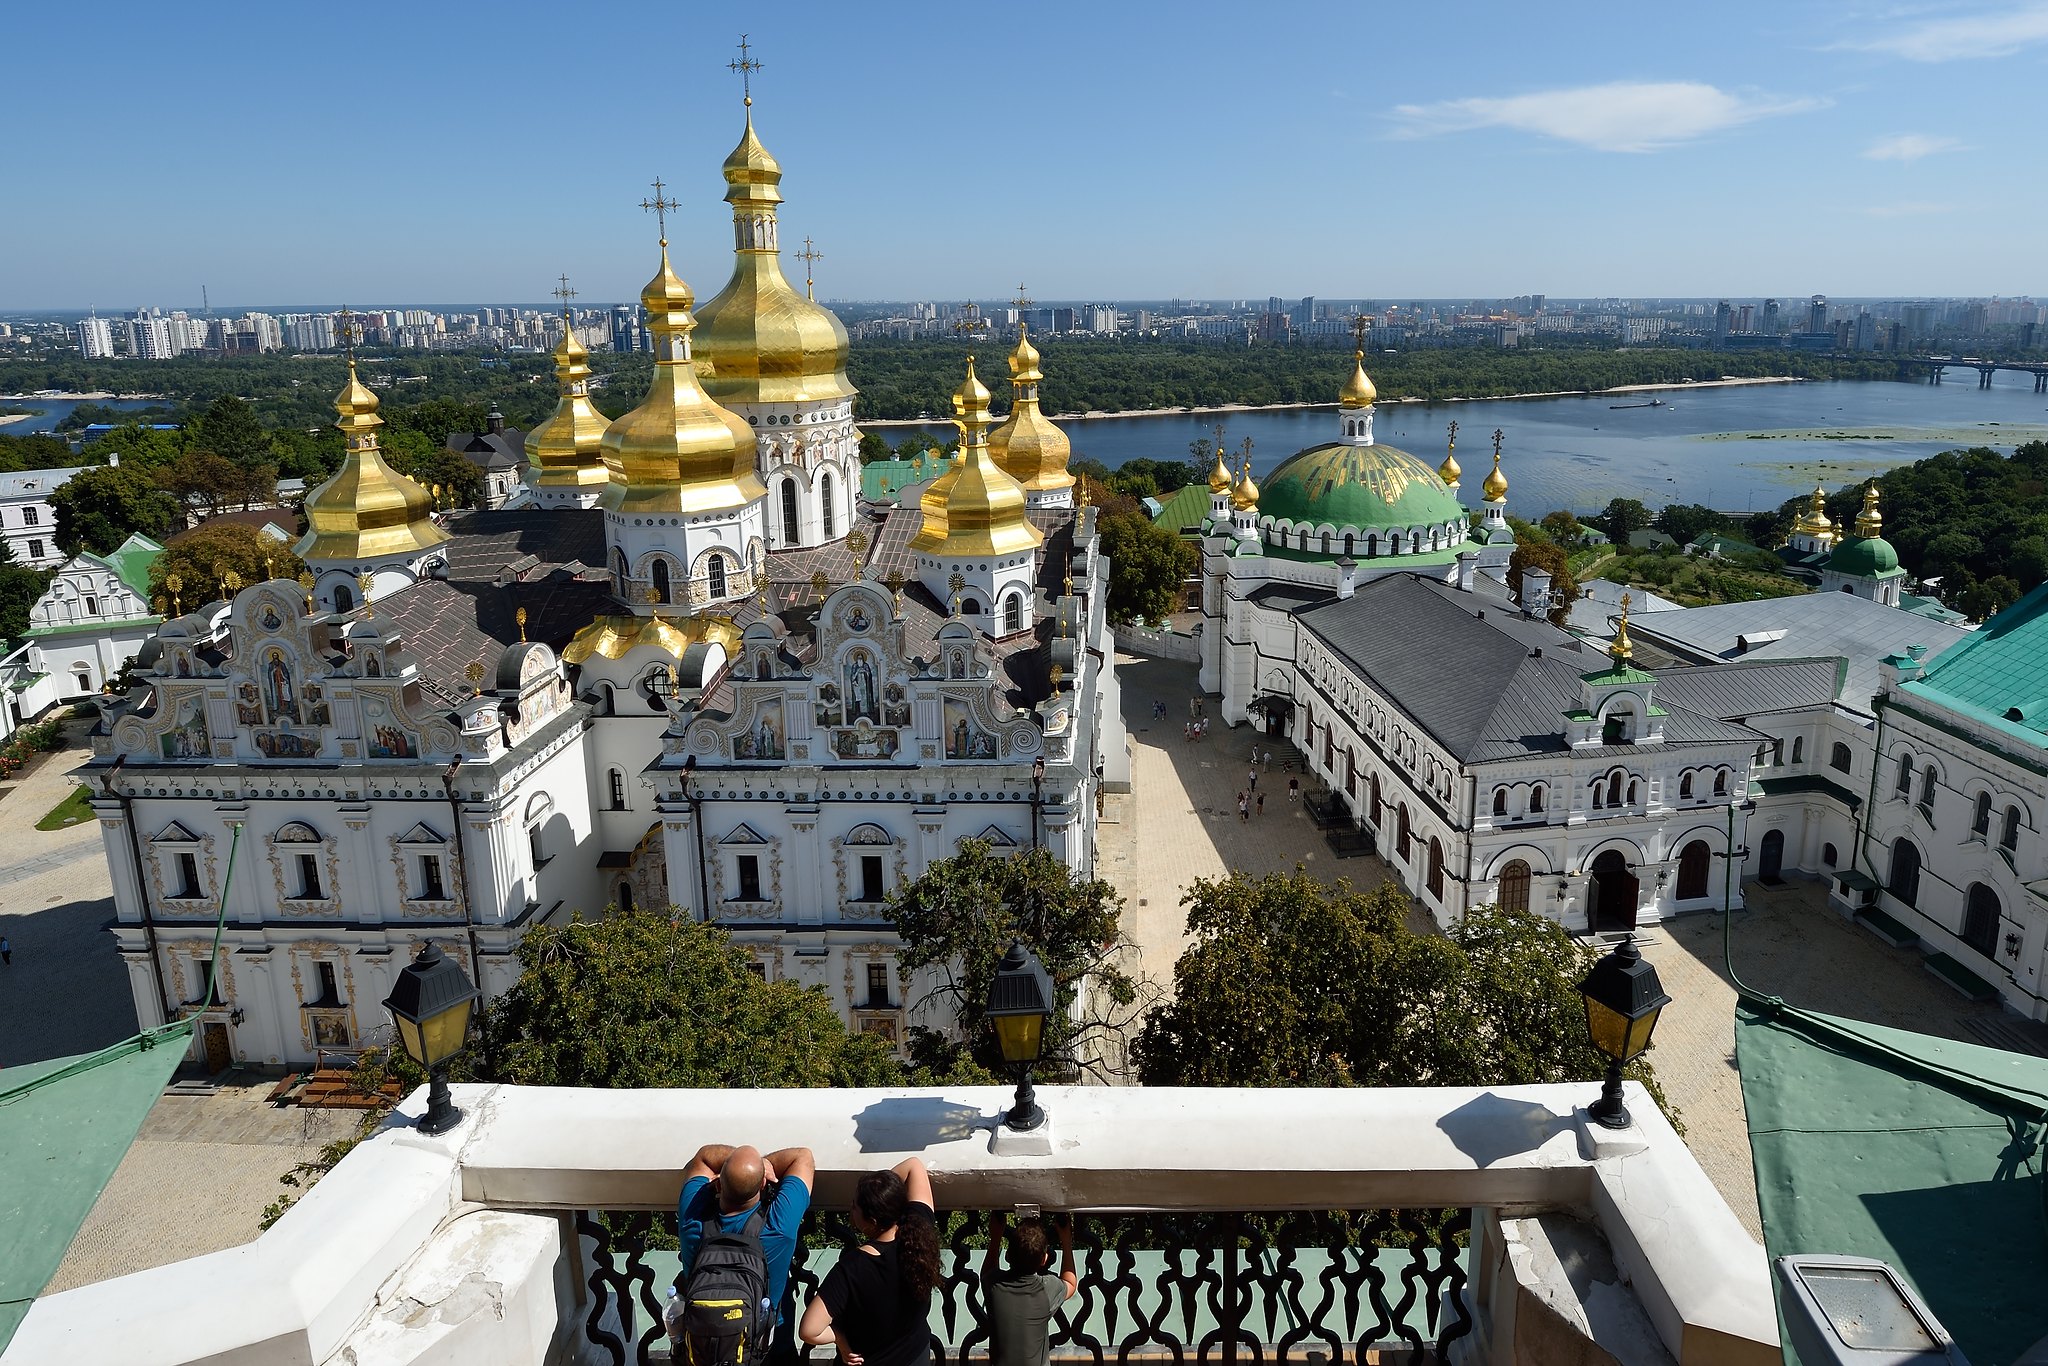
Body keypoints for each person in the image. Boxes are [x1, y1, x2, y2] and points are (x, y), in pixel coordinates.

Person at [675, 1142, 816, 1352]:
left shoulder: (692, 1220)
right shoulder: (779, 1227)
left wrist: (738, 1163)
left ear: (718, 1185)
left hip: (703, 1338)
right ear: (762, 1185)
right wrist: (762, 1163)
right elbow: (803, 1157)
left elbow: (704, 1157)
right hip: (765, 1339)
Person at [801, 1156, 940, 1366]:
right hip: (915, 1355)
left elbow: (809, 1331)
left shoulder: (852, 1269)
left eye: (855, 1206)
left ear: (872, 1221)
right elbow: (914, 1166)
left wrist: (840, 1337)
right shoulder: (919, 1232)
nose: (851, 1208)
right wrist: (881, 1191)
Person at [981, 1212, 1076, 1366]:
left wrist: (996, 1237)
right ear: (1044, 1260)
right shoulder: (1047, 1289)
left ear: (1007, 1256)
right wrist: (1066, 1241)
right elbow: (1070, 1283)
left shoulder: (994, 1285)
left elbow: (988, 1271)